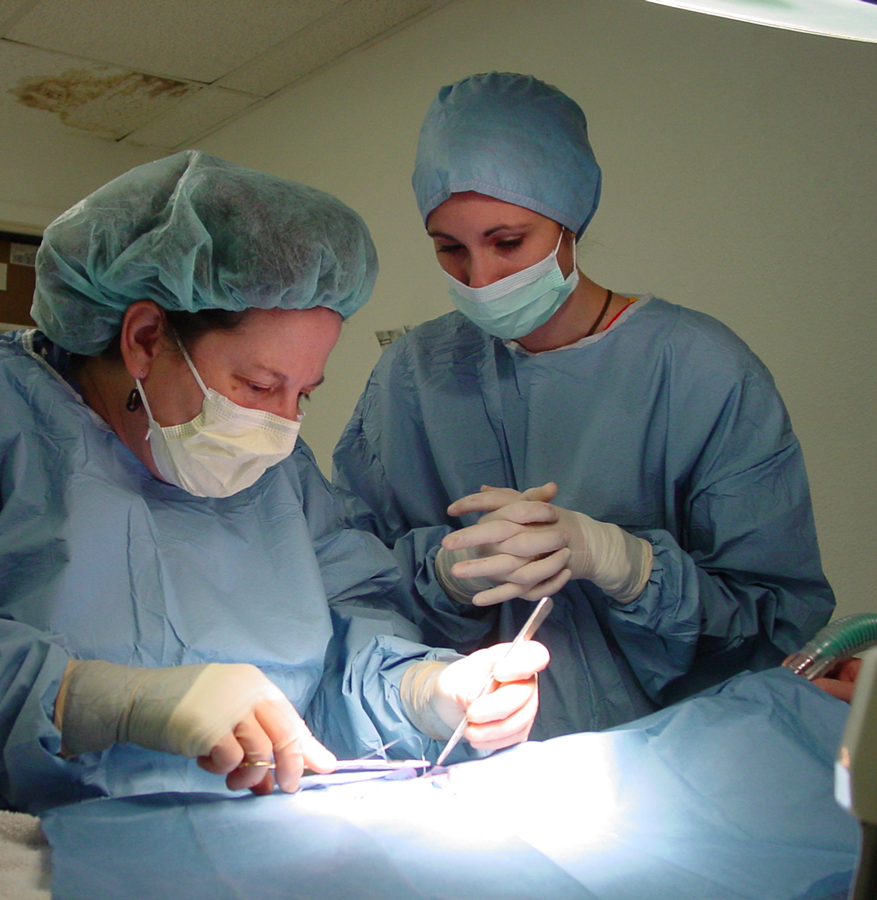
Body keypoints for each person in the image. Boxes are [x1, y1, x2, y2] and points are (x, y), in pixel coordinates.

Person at [0, 150, 548, 823]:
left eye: (307, 394)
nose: (283, 426)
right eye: (261, 386)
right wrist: (101, 700)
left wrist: (427, 691)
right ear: (147, 337)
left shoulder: (276, 472)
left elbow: (344, 641)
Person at [332, 73, 835, 739]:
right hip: (481, 760)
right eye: (450, 249)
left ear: (571, 220)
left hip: (687, 756)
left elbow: (776, 626)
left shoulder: (700, 370)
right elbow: (359, 587)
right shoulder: (410, 377)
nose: (481, 279)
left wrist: (630, 567)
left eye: (508, 242)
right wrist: (445, 576)